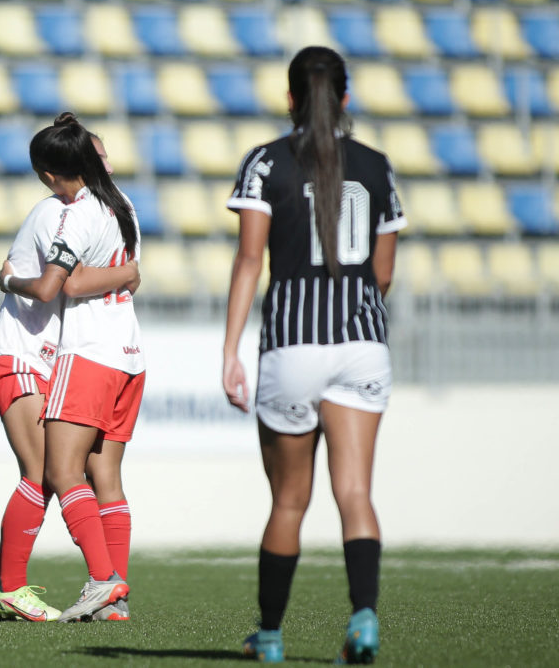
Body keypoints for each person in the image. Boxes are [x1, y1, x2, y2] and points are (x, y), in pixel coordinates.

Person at [221, 46, 406, 664]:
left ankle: (269, 637)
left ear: (290, 98)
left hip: (293, 343)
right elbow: (382, 275)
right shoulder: (378, 167)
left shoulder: (265, 162)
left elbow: (250, 261)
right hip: (362, 344)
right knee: (355, 494)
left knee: (289, 502)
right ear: (346, 99)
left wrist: (231, 353)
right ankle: (364, 621)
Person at [0, 119, 138, 623]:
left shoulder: (96, 208)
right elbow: (61, 284)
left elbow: (80, 281)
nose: (107, 161)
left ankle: (6, 586)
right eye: (100, 153)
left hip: (58, 358)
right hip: (20, 355)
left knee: (57, 476)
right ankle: (20, 586)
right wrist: (11, 278)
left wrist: (8, 276)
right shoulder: (60, 213)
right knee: (46, 471)